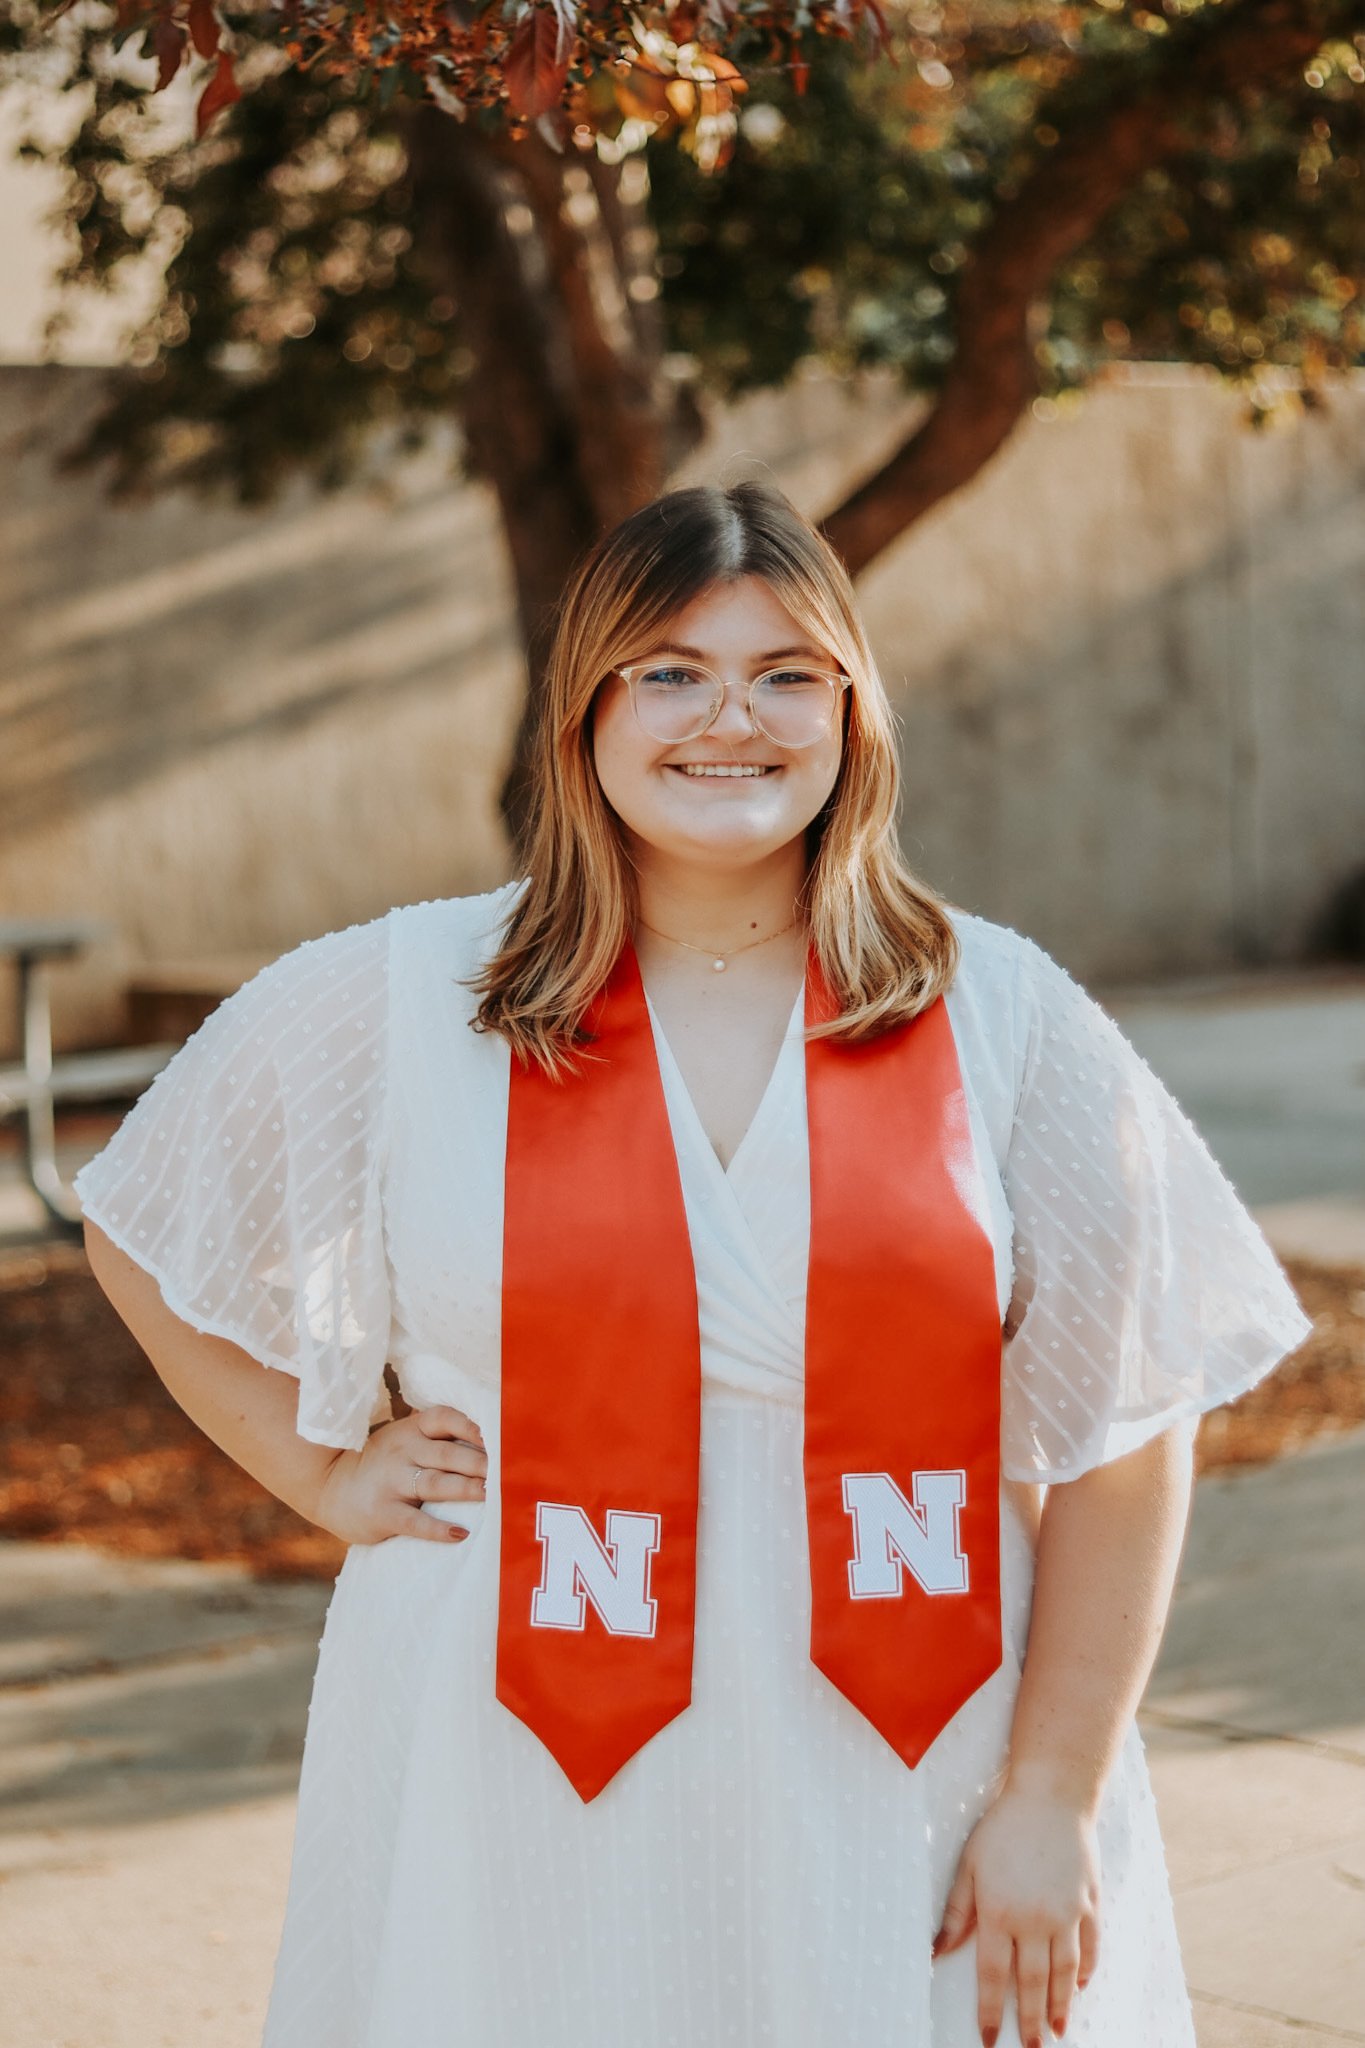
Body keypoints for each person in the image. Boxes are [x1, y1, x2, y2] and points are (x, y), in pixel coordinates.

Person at [77, 479, 1312, 2048]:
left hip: (918, 1750)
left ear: (852, 714)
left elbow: (1130, 1425)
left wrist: (1053, 1795)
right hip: (512, 1740)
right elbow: (137, 1212)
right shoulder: (410, 995)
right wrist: (311, 1470)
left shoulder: (996, 1010)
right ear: (585, 705)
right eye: (671, 671)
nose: (731, 719)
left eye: (787, 673)